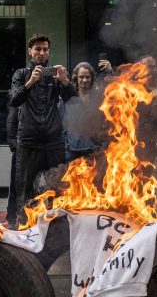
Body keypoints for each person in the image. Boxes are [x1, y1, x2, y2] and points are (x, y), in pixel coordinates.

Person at [8, 34, 74, 224]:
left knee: (57, 188)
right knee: (24, 190)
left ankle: (56, 229)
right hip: (28, 142)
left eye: (45, 49)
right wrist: (30, 83)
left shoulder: (54, 74)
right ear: (30, 51)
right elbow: (13, 100)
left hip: (53, 141)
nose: (41, 53)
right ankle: (24, 228)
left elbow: (72, 99)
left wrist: (64, 81)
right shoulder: (21, 74)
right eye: (37, 49)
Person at [63, 62, 105, 161]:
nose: (85, 80)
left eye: (87, 77)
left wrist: (109, 72)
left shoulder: (98, 98)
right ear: (76, 78)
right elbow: (62, 124)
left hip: (94, 152)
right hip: (72, 153)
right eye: (81, 77)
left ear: (91, 78)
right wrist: (65, 145)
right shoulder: (68, 98)